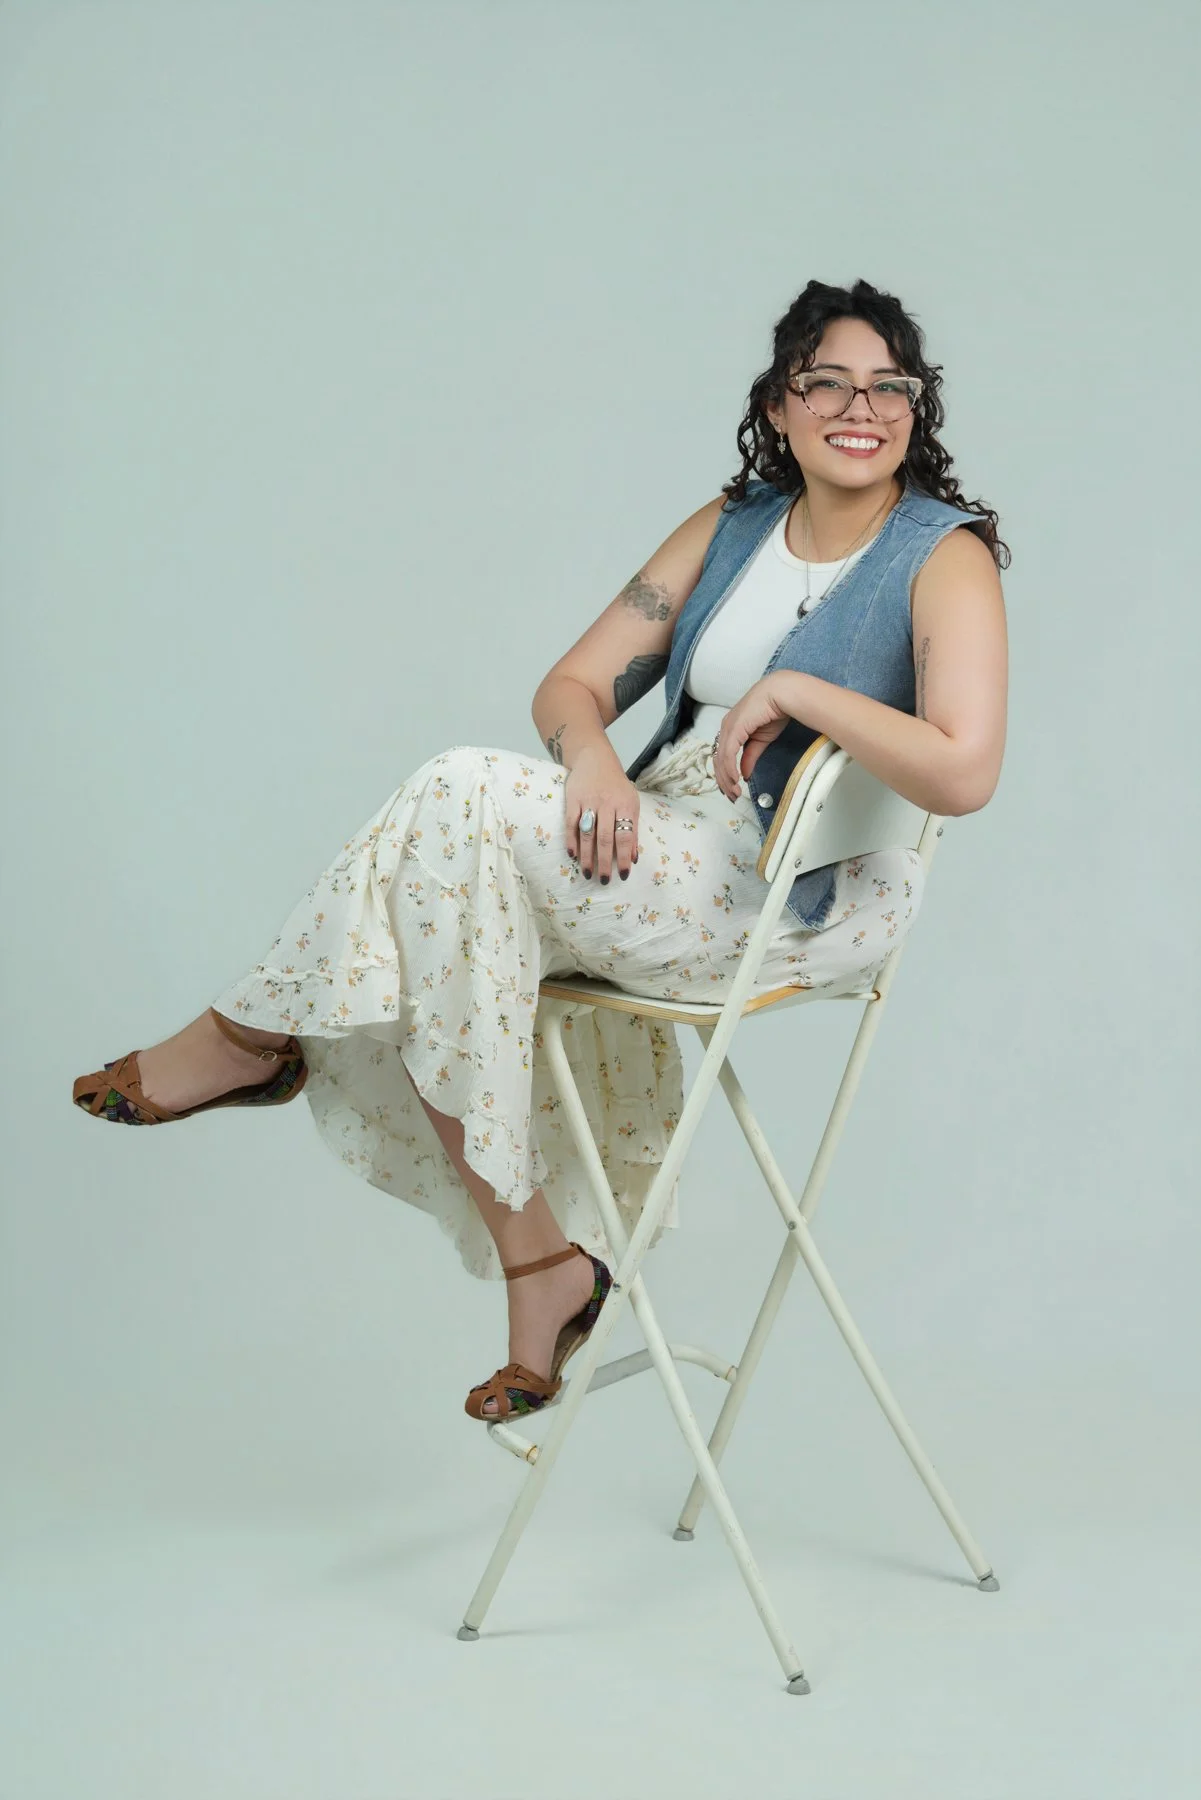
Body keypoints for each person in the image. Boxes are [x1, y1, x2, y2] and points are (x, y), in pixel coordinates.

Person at [72, 279, 1010, 1424]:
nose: (860, 407)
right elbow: (569, 684)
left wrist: (801, 687)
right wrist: (591, 759)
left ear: (916, 407)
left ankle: (252, 1036)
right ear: (778, 402)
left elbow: (965, 771)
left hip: (782, 889)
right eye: (829, 382)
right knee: (448, 894)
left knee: (451, 807)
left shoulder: (939, 553)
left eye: (889, 387)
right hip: (657, 831)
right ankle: (545, 1272)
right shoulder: (733, 525)